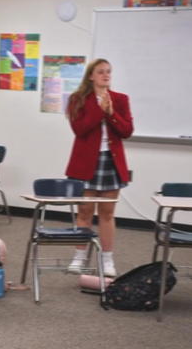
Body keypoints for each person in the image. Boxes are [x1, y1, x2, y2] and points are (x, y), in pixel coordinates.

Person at [65, 58, 133, 277]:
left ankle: (107, 260)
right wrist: (99, 110)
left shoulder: (121, 99)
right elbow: (80, 129)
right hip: (86, 161)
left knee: (107, 213)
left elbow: (127, 131)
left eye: (108, 72)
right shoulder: (78, 99)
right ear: (91, 76)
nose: (106, 75)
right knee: (84, 212)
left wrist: (111, 112)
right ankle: (79, 256)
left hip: (111, 162)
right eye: (101, 72)